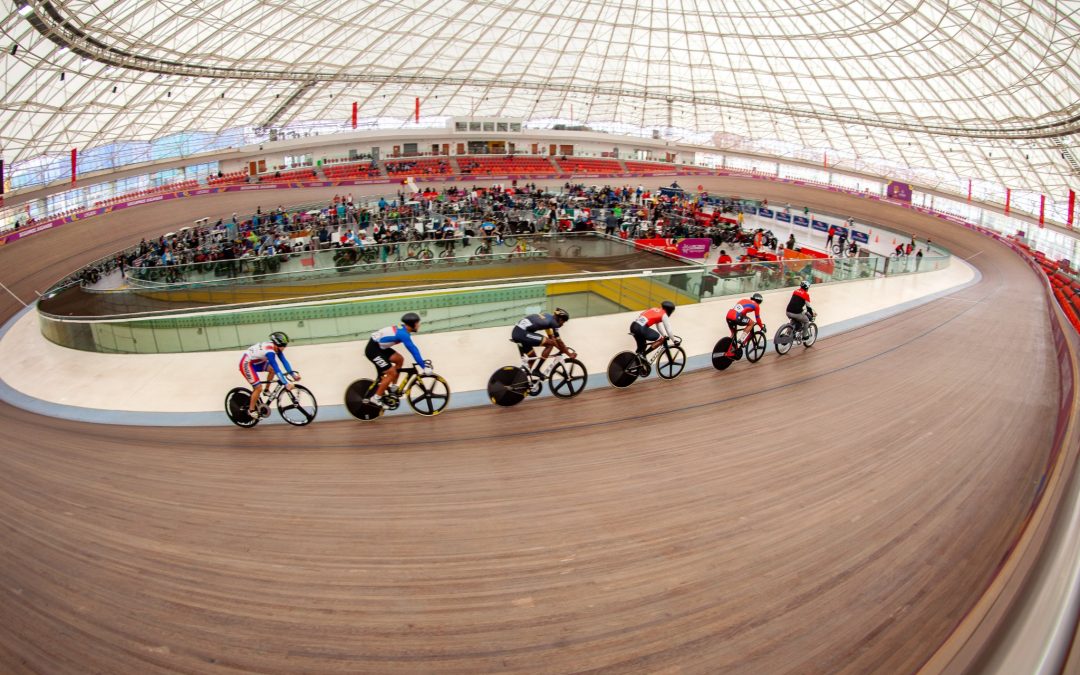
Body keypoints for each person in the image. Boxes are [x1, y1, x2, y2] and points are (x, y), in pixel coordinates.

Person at [366, 312, 430, 408]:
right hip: (373, 349)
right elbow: (413, 350)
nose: (419, 325)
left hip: (380, 347)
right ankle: (376, 398)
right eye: (417, 323)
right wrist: (423, 367)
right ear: (412, 324)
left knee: (399, 359)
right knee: (392, 373)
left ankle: (393, 388)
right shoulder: (403, 334)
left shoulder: (404, 329)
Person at [239, 332, 299, 418]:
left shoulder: (276, 348)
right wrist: (286, 383)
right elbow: (276, 367)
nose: (285, 347)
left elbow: (284, 362)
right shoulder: (270, 351)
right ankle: (251, 410)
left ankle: (266, 390)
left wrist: (293, 375)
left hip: (257, 362)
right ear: (278, 344)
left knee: (272, 370)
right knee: (258, 388)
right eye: (284, 345)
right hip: (246, 363)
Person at [511, 308, 575, 378]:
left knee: (532, 358)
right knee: (550, 344)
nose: (563, 324)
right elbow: (558, 341)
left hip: (517, 332)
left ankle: (519, 379)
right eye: (563, 322)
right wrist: (569, 354)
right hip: (522, 333)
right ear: (560, 319)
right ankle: (537, 370)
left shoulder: (547, 316)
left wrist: (563, 349)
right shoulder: (554, 323)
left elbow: (552, 339)